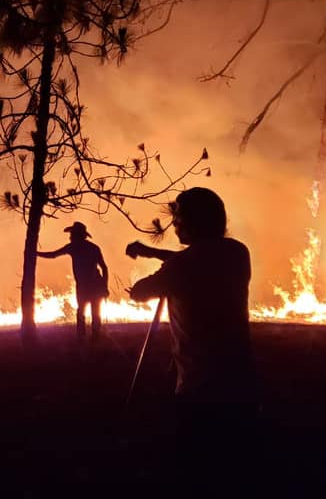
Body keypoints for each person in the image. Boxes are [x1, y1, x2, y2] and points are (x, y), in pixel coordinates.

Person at [125, 187, 257, 487]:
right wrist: (155, 252)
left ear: (195, 221)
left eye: (180, 218)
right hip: (241, 380)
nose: (175, 225)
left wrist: (156, 266)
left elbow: (141, 291)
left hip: (200, 385)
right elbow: (202, 258)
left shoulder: (181, 267)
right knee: (237, 468)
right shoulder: (237, 253)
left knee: (196, 466)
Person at [37, 221, 109, 340]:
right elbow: (104, 268)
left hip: (86, 285)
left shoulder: (73, 247)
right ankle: (94, 337)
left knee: (82, 311)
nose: (70, 237)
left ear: (77, 235)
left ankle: (84, 337)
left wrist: (35, 254)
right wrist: (104, 286)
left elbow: (53, 254)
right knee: (93, 312)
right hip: (95, 284)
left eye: (72, 234)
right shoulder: (93, 248)